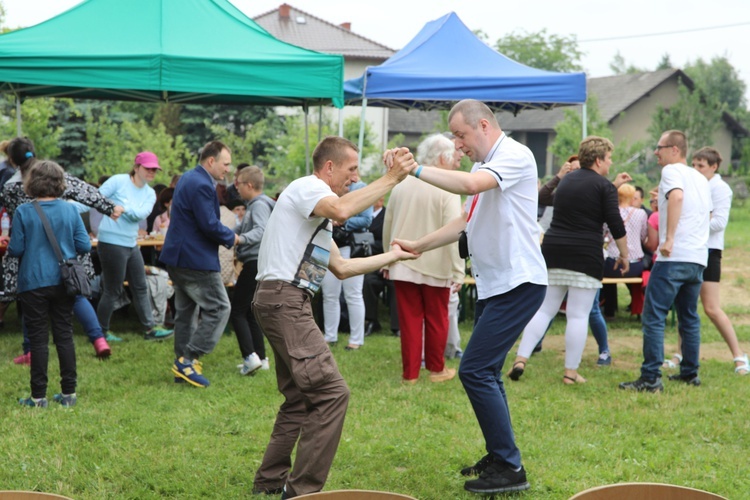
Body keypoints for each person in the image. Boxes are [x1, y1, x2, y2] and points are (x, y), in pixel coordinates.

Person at [390, 99, 548, 495]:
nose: (458, 145)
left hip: (519, 281)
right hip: (498, 282)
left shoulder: (514, 154)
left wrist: (417, 169)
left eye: (460, 135)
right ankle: (502, 457)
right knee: (486, 372)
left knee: (474, 370)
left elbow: (472, 186)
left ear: (483, 125)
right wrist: (419, 245)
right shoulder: (483, 165)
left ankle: (510, 467)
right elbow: (465, 220)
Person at [251, 136, 417, 498]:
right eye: (351, 169)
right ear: (329, 167)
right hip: (285, 301)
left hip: (278, 301)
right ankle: (301, 493)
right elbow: (342, 210)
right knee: (331, 394)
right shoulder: (307, 188)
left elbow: (341, 267)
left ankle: (269, 483)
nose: (355, 178)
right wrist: (391, 178)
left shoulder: (316, 216)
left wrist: (394, 257)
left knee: (298, 398)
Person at [510, 136, 629, 386]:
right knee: (577, 315)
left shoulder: (566, 182)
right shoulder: (604, 186)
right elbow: (615, 224)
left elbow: (548, 198)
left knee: (544, 309)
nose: (610, 163)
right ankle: (570, 373)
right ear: (598, 160)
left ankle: (521, 358)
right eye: (609, 159)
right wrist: (625, 255)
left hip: (554, 250)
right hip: (585, 255)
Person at [2, 137, 121, 362]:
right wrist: (110, 208)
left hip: (34, 256)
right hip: (65, 253)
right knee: (75, 297)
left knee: (30, 301)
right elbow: (86, 192)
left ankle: (30, 351)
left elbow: (17, 228)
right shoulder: (56, 176)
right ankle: (98, 339)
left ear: (12, 159)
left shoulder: (10, 187)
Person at [620, 130, 712, 392]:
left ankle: (650, 377)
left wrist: (669, 238)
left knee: (654, 314)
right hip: (697, 257)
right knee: (689, 316)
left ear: (674, 150)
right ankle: (690, 372)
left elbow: (677, 197)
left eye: (659, 147)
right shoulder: (701, 178)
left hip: (674, 256)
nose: (655, 152)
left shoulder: (672, 172)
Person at [383, 133, 464, 384]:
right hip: (436, 264)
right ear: (443, 157)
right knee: (437, 319)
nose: (459, 160)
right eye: (455, 156)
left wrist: (387, 260)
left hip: (402, 262)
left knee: (409, 321)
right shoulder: (448, 185)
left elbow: (388, 223)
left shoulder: (401, 182)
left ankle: (410, 374)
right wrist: (458, 270)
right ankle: (437, 370)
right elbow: (455, 232)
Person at [10, 161, 91, 408]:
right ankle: (68, 394)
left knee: (37, 339)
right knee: (64, 335)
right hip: (63, 281)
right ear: (60, 182)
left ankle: (38, 397)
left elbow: (16, 249)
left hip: (33, 281)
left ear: (32, 182)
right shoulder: (70, 211)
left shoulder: (24, 211)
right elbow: (85, 245)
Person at [159, 140, 239, 388]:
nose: (228, 169)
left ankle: (182, 365)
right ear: (211, 161)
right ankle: (188, 359)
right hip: (195, 260)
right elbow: (208, 224)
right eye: (225, 164)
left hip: (178, 257)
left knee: (186, 312)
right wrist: (232, 237)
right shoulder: (202, 184)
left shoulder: (187, 178)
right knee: (220, 308)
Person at [535, 155, 614, 365]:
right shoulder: (562, 192)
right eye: (572, 170)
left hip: (584, 256)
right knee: (549, 306)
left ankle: (604, 350)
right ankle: (535, 343)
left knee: (590, 309)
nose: (577, 174)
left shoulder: (594, 191)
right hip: (562, 252)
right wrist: (559, 176)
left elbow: (605, 200)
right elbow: (542, 196)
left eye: (580, 169)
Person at [96, 152, 174, 341]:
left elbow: (139, 215)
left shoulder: (149, 194)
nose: (152, 172)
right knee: (112, 290)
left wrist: (121, 207)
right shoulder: (118, 181)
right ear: (136, 167)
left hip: (131, 244)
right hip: (111, 242)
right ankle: (100, 332)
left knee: (140, 286)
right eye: (148, 168)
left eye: (154, 169)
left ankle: (149, 330)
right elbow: (96, 199)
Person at [691, 147, 747, 374]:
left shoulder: (721, 189)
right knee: (686, 305)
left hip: (710, 251)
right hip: (692, 250)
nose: (696, 169)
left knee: (711, 308)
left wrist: (695, 219)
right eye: (693, 165)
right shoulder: (694, 184)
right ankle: (679, 354)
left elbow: (719, 223)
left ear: (714, 167)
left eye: (701, 165)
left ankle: (739, 355)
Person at [231, 165, 274, 375]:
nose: (236, 188)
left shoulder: (259, 205)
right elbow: (238, 229)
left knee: (237, 311)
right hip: (259, 262)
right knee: (249, 312)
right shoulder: (256, 204)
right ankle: (262, 358)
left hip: (255, 262)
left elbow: (261, 230)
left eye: (238, 184)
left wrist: (240, 239)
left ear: (249, 185)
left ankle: (250, 358)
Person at [321, 172, 372, 350]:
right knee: (329, 293)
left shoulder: (361, 188)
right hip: (331, 243)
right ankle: (330, 336)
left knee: (353, 294)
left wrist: (340, 220)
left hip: (353, 245)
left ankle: (356, 339)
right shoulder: (327, 186)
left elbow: (367, 219)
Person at [601, 183, 649, 318]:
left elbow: (603, 233)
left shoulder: (610, 212)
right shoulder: (641, 213)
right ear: (632, 197)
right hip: (635, 265)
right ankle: (637, 308)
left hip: (612, 265)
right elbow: (643, 236)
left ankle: (610, 310)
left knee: (607, 270)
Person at [362, 196, 400, 337]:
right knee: (369, 282)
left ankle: (397, 325)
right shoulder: (364, 216)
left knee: (395, 284)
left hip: (388, 259)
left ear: (381, 200)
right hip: (372, 261)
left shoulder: (387, 216)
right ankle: (371, 321)